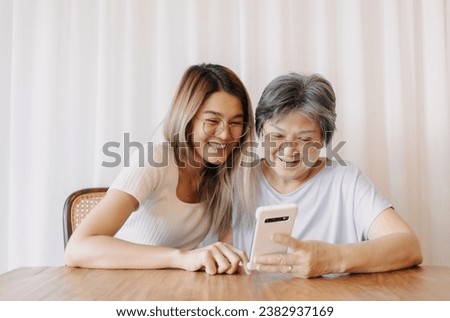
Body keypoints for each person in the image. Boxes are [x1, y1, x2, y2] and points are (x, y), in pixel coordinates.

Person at [65, 63, 255, 275]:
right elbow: (77, 249)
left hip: (166, 292)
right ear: (187, 119)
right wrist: (180, 257)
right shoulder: (155, 159)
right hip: (117, 287)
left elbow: (226, 254)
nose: (225, 134)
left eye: (235, 123)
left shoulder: (225, 177)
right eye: (212, 120)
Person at [233, 72, 423, 278]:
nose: (289, 151)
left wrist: (331, 258)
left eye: (305, 139)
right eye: (277, 136)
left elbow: (409, 246)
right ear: (259, 131)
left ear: (323, 139)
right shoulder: (238, 180)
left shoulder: (345, 180)